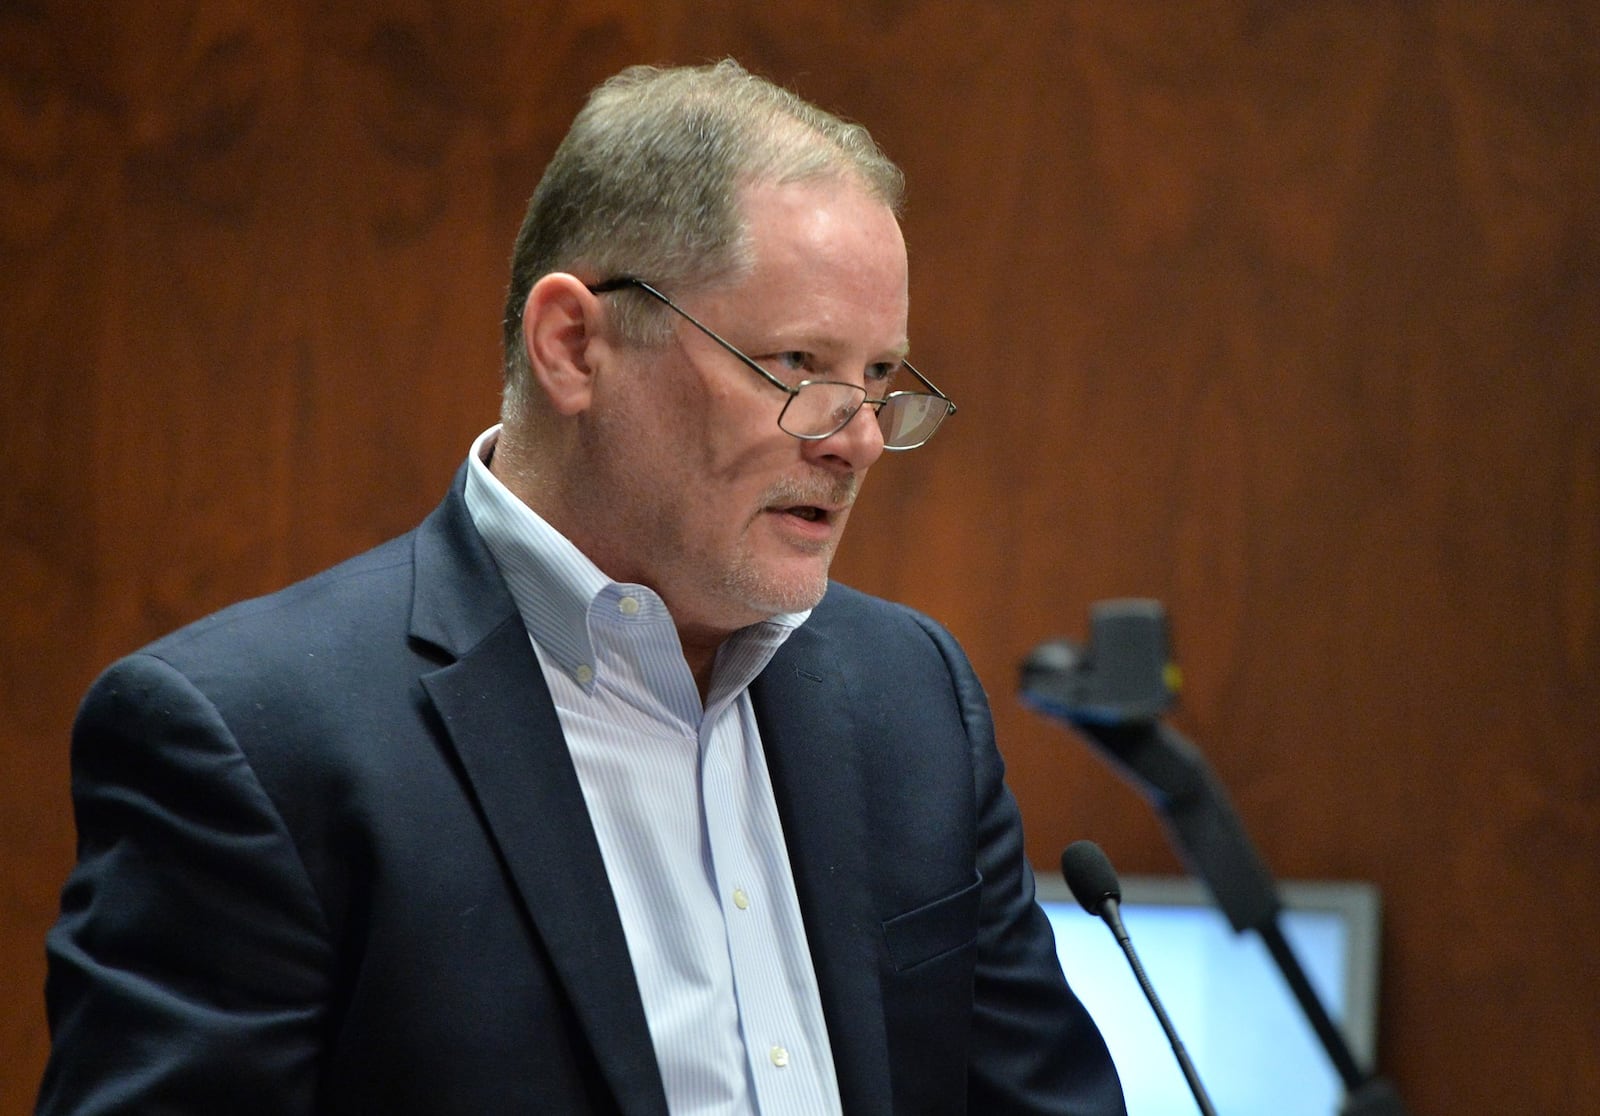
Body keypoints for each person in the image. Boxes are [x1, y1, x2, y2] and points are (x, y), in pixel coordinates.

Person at [39, 60, 1125, 1115]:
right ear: (573, 346)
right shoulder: (251, 743)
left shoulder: (911, 696)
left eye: (880, 380)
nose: (859, 441)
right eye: (797, 366)